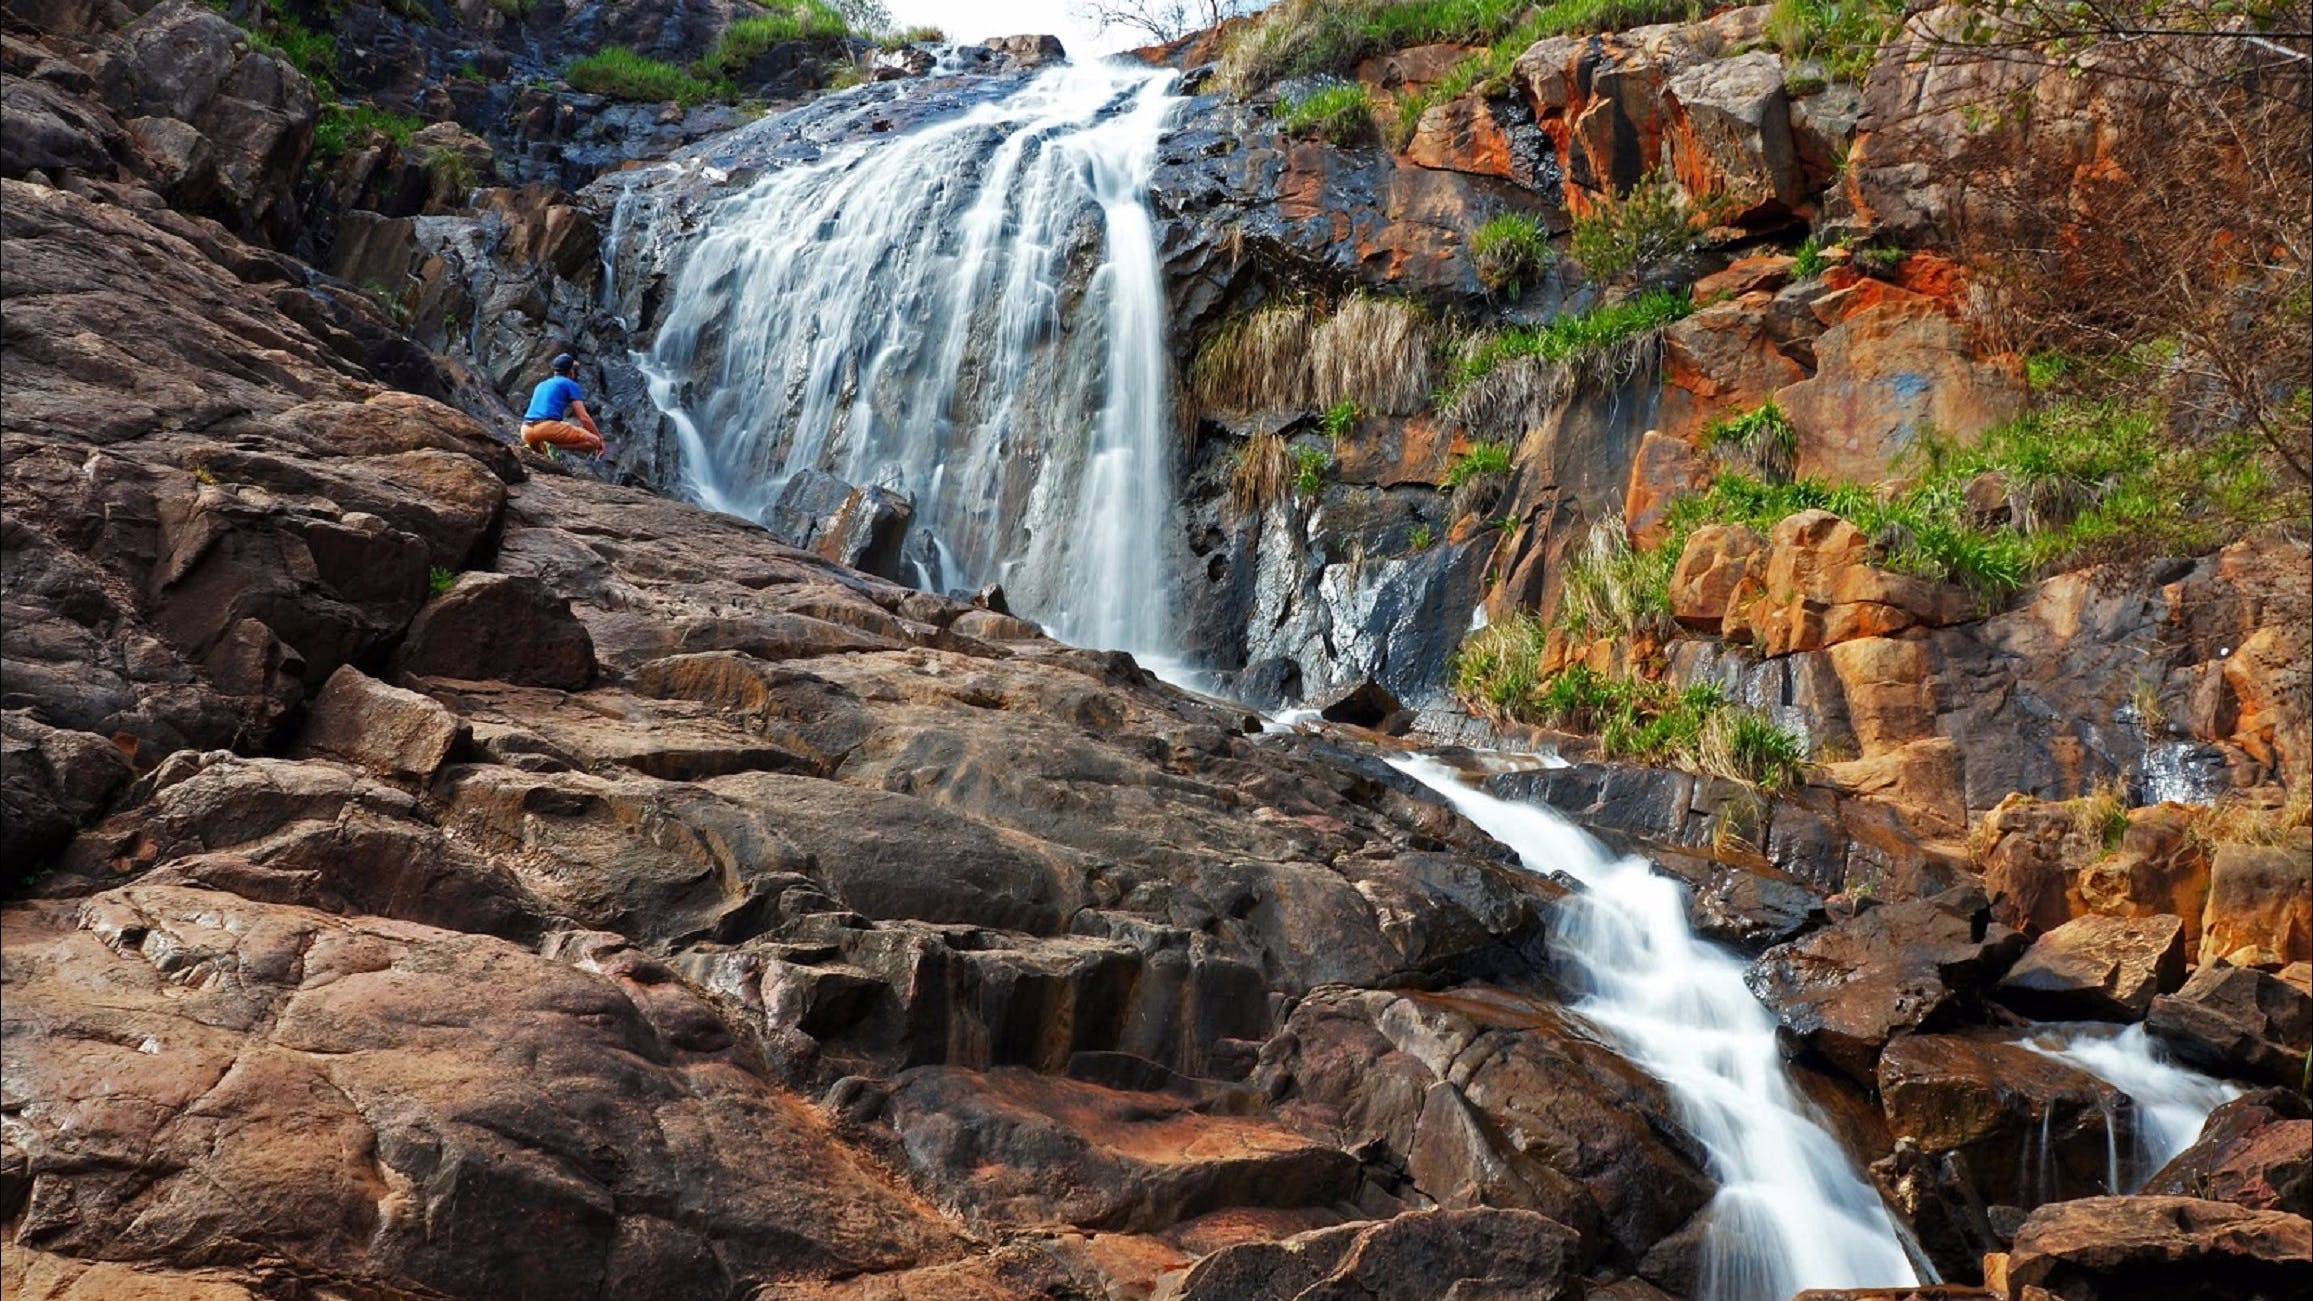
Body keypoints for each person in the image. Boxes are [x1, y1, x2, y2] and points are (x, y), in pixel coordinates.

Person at [521, 353, 606, 457]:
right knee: (594, 442)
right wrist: (599, 440)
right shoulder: (569, 384)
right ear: (571, 371)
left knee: (566, 425)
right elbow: (584, 418)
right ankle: (553, 446)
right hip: (546, 429)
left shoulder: (541, 384)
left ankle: (537, 445)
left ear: (555, 371)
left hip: (526, 431)